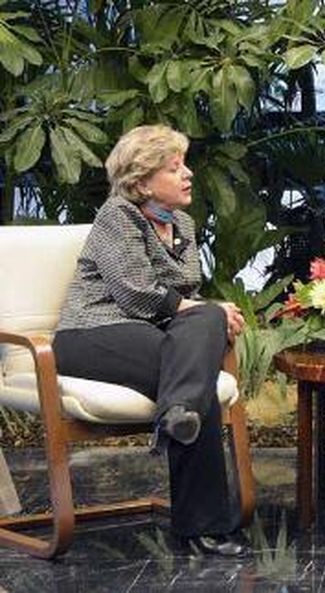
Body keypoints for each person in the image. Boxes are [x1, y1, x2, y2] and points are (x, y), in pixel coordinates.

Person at [52, 124, 249, 557]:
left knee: (199, 344)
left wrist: (209, 312)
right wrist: (207, 312)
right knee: (198, 361)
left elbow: (186, 297)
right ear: (142, 182)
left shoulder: (183, 224)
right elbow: (134, 292)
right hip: (92, 334)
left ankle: (175, 415)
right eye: (174, 168)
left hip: (153, 335)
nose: (188, 174)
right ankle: (204, 528)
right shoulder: (117, 216)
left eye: (184, 165)